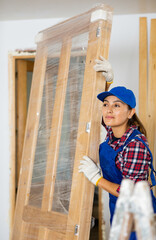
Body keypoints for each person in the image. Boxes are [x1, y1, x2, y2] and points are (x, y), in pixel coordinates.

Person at [79, 56, 156, 240]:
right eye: (106, 105)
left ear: (131, 113)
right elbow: (101, 113)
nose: (108, 110)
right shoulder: (113, 133)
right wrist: (108, 81)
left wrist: (96, 178)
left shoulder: (135, 145)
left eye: (117, 105)